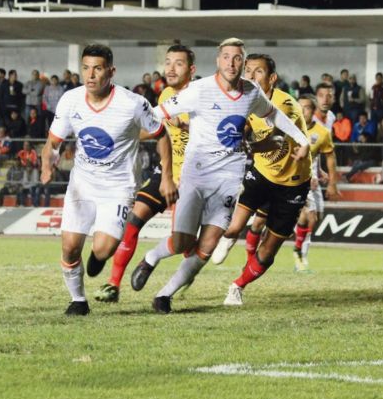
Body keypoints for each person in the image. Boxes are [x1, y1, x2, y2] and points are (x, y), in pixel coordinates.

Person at [130, 42, 308, 315]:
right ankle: (151, 257)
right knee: (182, 243)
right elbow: (157, 114)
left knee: (208, 246)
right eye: (226, 57)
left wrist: (301, 138)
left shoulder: (251, 92)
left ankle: (164, 295)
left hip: (228, 179)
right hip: (196, 175)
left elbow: (273, 115)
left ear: (242, 62)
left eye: (237, 58)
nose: (232, 63)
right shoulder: (198, 91)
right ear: (218, 61)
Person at [40, 44, 176, 316]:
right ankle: (78, 301)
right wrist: (47, 163)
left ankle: (97, 256)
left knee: (103, 249)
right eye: (86, 68)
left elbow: (161, 135)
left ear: (111, 71)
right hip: (83, 183)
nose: (90, 75)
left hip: (118, 187)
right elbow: (52, 143)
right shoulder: (70, 100)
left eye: (98, 69)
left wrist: (167, 177)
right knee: (68, 248)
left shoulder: (132, 104)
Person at [202, 53, 310, 307]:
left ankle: (237, 286)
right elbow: (240, 128)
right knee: (231, 227)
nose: (249, 76)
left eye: (257, 71)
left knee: (268, 251)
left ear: (272, 78)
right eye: (247, 71)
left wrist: (241, 147)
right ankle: (227, 239)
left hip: (292, 183)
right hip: (262, 174)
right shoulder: (244, 101)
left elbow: (272, 141)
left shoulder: (285, 105)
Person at [92, 45, 196, 303]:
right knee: (133, 221)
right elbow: (156, 129)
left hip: (195, 178)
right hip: (167, 171)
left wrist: (187, 124)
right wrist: (122, 137)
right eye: (168, 62)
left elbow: (214, 133)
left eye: (178, 63)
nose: (170, 68)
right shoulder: (166, 95)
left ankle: (174, 265)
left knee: (183, 243)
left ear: (191, 70)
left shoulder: (201, 96)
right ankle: (113, 285)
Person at [291, 93, 337, 271]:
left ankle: (299, 247)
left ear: (313, 110)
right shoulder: (291, 129)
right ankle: (299, 256)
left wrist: (322, 174)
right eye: (300, 107)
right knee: (309, 217)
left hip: (314, 181)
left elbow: (323, 157)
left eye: (307, 108)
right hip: (298, 181)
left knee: (316, 218)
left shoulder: (322, 133)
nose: (303, 111)